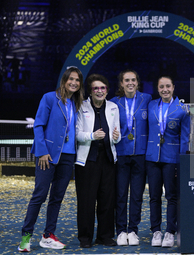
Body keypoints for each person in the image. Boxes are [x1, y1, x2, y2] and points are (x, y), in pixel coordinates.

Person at [18, 67, 84, 252]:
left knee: (57, 198)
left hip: (68, 156)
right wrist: (42, 152)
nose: (74, 83)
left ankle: (48, 236)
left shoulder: (77, 104)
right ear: (64, 81)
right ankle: (26, 237)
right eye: (71, 79)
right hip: (48, 155)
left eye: (77, 80)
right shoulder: (49, 98)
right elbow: (38, 125)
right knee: (39, 195)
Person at [75, 73, 121, 248]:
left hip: (108, 160)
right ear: (91, 91)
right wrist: (92, 136)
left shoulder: (114, 107)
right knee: (87, 201)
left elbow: (117, 135)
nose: (99, 91)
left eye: (103, 88)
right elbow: (76, 134)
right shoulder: (81, 107)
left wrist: (116, 137)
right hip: (87, 161)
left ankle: (105, 236)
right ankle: (85, 238)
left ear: (107, 90)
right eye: (96, 88)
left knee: (107, 200)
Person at [146, 76, 190, 248]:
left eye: (168, 86)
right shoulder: (151, 105)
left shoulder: (182, 109)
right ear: (157, 89)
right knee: (154, 196)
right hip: (152, 158)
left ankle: (170, 231)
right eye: (161, 87)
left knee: (171, 196)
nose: (165, 89)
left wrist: (182, 161)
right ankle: (156, 231)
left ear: (173, 88)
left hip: (172, 158)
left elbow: (185, 138)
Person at [110, 69, 152, 246]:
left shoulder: (147, 99)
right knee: (120, 195)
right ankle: (120, 230)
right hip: (121, 154)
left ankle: (133, 230)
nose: (130, 83)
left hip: (140, 154)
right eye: (127, 80)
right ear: (121, 83)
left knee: (137, 195)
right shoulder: (113, 103)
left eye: (133, 80)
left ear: (137, 82)